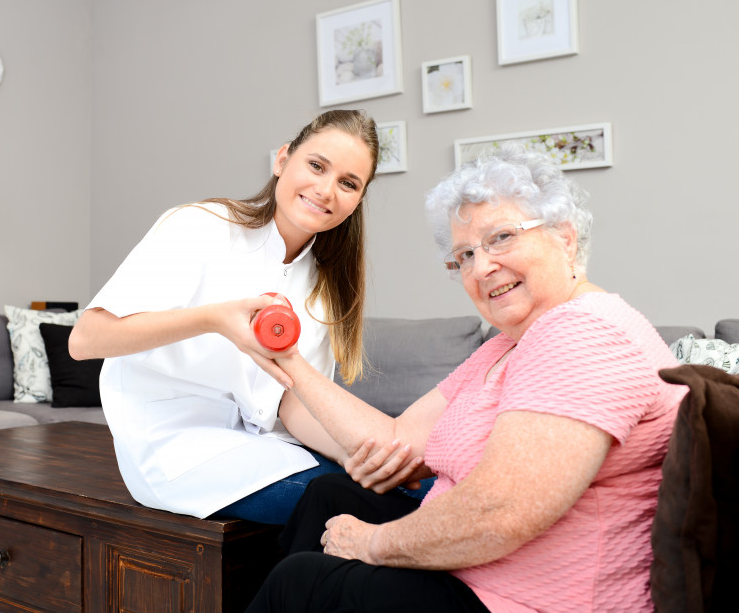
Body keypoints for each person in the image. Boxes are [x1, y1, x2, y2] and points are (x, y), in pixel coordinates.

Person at [247, 150, 688, 612]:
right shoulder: (507, 344)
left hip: (527, 599)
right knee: (330, 494)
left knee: (303, 583)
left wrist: (371, 544)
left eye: (501, 238)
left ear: (564, 238)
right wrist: (288, 361)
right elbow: (397, 441)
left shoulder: (584, 334)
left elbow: (500, 512)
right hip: (479, 570)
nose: (480, 268)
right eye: (465, 255)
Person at [67, 109, 381, 523]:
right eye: (316, 165)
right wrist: (214, 319)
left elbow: (290, 402)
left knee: (405, 490)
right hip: (173, 451)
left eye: (347, 183)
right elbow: (85, 339)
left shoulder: (325, 283)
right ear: (283, 159)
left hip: (263, 446)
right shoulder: (200, 227)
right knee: (354, 506)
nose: (326, 190)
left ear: (358, 199)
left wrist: (361, 456)